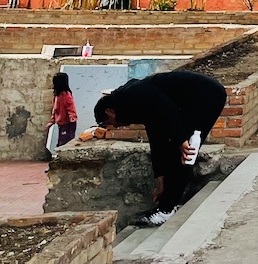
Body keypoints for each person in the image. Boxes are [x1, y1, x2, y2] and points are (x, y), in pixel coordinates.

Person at [92, 70, 227, 226]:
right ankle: (167, 204)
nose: (112, 126)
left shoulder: (132, 95)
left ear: (110, 111)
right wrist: (160, 178)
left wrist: (182, 141)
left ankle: (167, 210)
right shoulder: (132, 104)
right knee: (172, 150)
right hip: (188, 103)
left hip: (206, 96)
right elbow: (157, 138)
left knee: (186, 154)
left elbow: (167, 110)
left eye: (108, 122)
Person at [51, 72, 77, 151]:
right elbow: (55, 109)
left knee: (66, 141)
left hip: (68, 123)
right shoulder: (57, 95)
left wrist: (72, 117)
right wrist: (52, 120)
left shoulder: (66, 95)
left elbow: (71, 106)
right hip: (62, 123)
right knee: (61, 141)